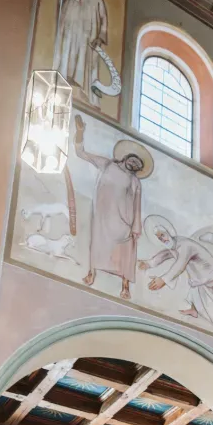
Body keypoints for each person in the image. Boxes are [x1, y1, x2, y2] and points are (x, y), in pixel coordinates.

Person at [74, 114, 149, 300]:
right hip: (103, 216)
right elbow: (81, 153)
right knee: (98, 244)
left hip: (123, 220)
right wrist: (80, 134)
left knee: (126, 253)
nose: (134, 164)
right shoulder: (107, 164)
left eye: (138, 165)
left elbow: (137, 206)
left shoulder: (134, 181)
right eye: (133, 161)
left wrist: (136, 227)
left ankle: (125, 286)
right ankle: (91, 273)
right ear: (125, 158)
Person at [139, 215, 213, 339]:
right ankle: (194, 310)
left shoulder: (184, 245)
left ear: (168, 232)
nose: (162, 239)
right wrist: (149, 263)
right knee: (204, 305)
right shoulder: (173, 245)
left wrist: (163, 279)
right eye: (159, 238)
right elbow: (164, 255)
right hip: (201, 281)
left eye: (163, 235)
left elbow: (180, 264)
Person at [53, 0, 107, 107]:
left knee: (82, 53)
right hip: (70, 24)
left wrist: (100, 37)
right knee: (68, 47)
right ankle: (64, 77)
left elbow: (103, 17)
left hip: (86, 34)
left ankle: (79, 83)